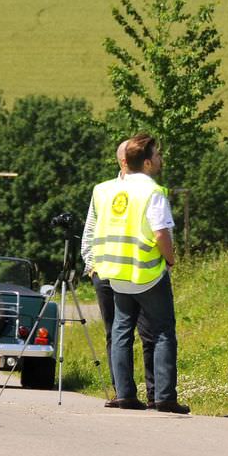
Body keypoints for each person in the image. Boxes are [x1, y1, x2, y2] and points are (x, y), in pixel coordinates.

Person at [91, 133, 189, 414]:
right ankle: (165, 397)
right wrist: (170, 259)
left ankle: (124, 394)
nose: (160, 159)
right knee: (162, 332)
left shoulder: (104, 190)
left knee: (121, 331)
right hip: (146, 272)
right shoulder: (152, 192)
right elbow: (160, 233)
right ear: (146, 163)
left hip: (115, 272)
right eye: (157, 155)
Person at [81, 140, 159, 408]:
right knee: (116, 333)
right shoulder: (104, 190)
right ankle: (123, 392)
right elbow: (91, 228)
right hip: (105, 273)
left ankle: (154, 394)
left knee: (149, 333)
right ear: (124, 160)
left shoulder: (146, 189)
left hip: (139, 271)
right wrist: (90, 265)